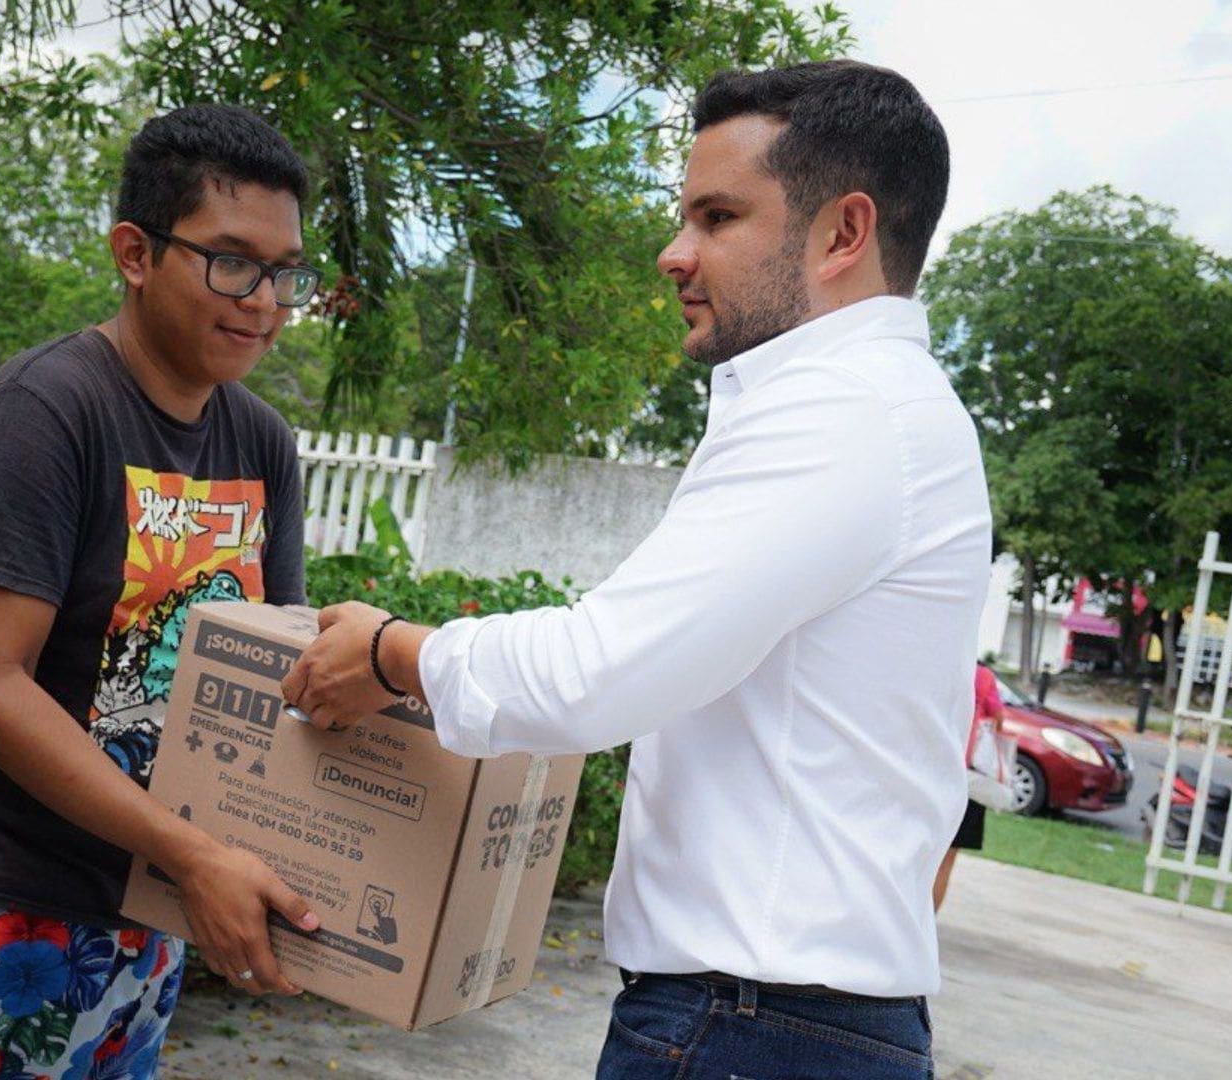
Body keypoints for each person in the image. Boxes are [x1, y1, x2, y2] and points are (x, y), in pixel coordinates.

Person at [283, 61, 990, 1079]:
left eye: (718, 217)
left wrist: (394, 654)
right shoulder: (878, 407)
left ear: (843, 233)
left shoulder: (844, 411)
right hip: (781, 1021)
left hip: (755, 1026)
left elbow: (600, 672)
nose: (674, 253)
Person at [0, 104, 321, 1080]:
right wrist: (191, 854)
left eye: (284, 272)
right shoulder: (46, 413)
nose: (264, 301)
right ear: (135, 253)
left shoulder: (261, 442)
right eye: (232, 263)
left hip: (159, 910)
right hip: (8, 908)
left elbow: (274, 670)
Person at [936, 663, 1006, 909]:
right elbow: (998, 719)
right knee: (946, 860)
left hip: (933, 771)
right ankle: (928, 921)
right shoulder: (983, 676)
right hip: (967, 779)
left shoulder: (943, 666)